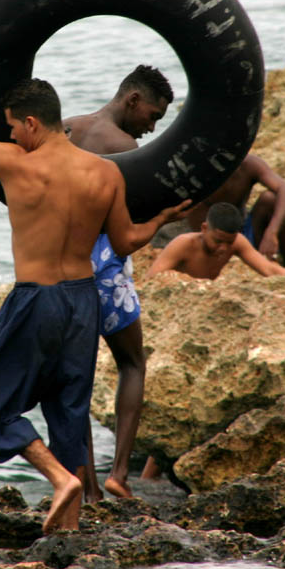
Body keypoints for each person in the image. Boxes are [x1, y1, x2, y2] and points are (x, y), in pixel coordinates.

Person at [0, 34, 190, 533]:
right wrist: (161, 215)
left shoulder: (17, 164)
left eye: (13, 128)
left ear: (32, 123)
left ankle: (60, 479)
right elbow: (121, 242)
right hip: (84, 301)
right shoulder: (106, 174)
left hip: (37, 299)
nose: (10, 138)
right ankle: (69, 526)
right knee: (68, 411)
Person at [63, 65, 174, 502]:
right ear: (132, 100)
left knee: (77, 381)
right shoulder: (125, 149)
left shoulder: (65, 129)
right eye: (151, 115)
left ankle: (88, 489)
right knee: (132, 364)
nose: (150, 128)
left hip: (65, 269)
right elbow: (126, 227)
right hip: (105, 270)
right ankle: (120, 474)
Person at [185, 154, 285, 270]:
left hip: (242, 235)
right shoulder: (194, 169)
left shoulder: (247, 164)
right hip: (210, 242)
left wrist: (271, 233)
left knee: (270, 200)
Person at [147, 202, 285, 280]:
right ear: (204, 228)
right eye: (218, 241)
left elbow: (268, 268)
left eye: (229, 242)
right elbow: (152, 278)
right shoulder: (184, 244)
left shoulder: (237, 242)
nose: (223, 248)